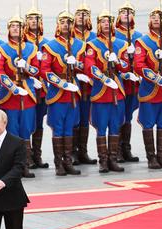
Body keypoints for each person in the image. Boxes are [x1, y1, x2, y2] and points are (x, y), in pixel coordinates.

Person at [85, 7, 138, 173]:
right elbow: (90, 67)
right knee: (101, 127)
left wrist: (118, 62)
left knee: (115, 126)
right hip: (101, 91)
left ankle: (113, 159)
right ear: (98, 25)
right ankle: (103, 161)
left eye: (108, 21)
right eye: (103, 22)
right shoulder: (92, 45)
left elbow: (126, 67)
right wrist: (104, 78)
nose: (106, 24)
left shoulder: (121, 44)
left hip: (117, 91)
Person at [0, 13, 41, 178]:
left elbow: (36, 70)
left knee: (26, 131)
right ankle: (12, 167)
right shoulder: (2, 49)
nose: (15, 29)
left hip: (27, 94)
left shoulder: (31, 48)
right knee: (11, 132)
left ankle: (25, 165)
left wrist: (26, 66)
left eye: (18, 26)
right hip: (9, 95)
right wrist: (12, 87)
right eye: (12, 26)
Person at [41, 9, 85, 176]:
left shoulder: (80, 45)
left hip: (73, 93)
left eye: (69, 22)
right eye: (63, 22)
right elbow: (44, 70)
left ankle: (68, 161)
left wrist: (77, 65)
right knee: (58, 128)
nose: (66, 25)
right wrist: (61, 83)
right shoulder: (50, 47)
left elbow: (86, 66)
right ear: (58, 25)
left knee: (69, 128)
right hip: (57, 94)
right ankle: (58, 162)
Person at [134, 6, 162, 169]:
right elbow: (138, 65)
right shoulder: (142, 41)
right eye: (153, 16)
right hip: (150, 90)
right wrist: (157, 79)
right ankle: (151, 157)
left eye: (159, 17)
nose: (156, 19)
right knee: (148, 124)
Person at [115, 1, 142, 163]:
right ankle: (116, 149)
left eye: (129, 12)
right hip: (119, 82)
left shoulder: (138, 36)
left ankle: (126, 148)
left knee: (128, 115)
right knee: (119, 114)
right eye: (123, 12)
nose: (126, 14)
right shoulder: (113, 34)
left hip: (134, 82)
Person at [23, 3, 50, 170]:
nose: (34, 21)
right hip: (27, 87)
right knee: (28, 123)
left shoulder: (46, 43)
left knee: (38, 122)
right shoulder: (23, 42)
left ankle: (36, 155)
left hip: (42, 88)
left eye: (36, 19)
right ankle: (27, 156)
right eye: (31, 19)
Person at [71, 2, 98, 165]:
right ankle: (72, 152)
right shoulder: (69, 37)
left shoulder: (95, 38)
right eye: (79, 14)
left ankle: (83, 151)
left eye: (86, 14)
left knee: (85, 118)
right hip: (73, 84)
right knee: (74, 117)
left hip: (90, 85)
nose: (82, 17)